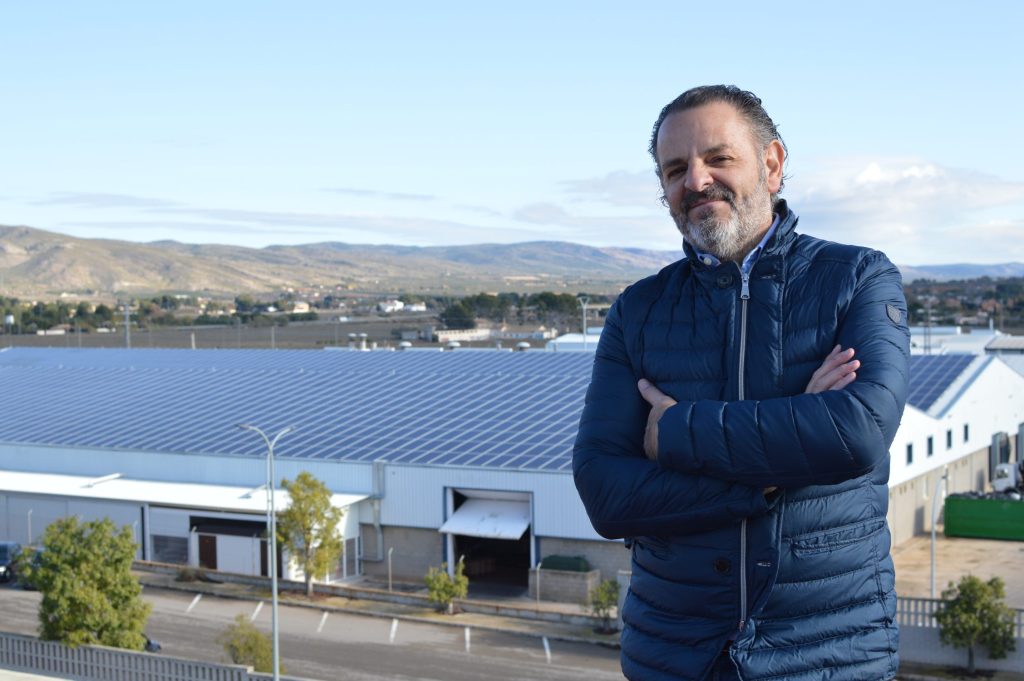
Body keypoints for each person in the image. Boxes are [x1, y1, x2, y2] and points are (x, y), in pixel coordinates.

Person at [573, 85, 910, 681]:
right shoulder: (639, 309)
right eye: (675, 169)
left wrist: (675, 430)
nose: (696, 181)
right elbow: (605, 492)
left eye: (718, 158)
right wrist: (775, 471)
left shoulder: (856, 279)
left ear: (773, 164)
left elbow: (857, 434)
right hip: (673, 652)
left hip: (829, 653)